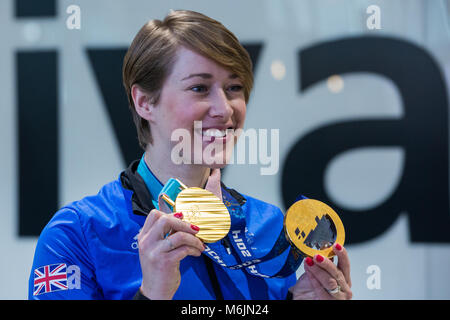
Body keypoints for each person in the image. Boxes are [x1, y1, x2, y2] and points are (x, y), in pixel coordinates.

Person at [28, 9, 352, 300]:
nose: (225, 109)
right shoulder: (77, 234)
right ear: (144, 102)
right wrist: (151, 295)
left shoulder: (268, 226)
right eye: (199, 88)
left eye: (234, 88)